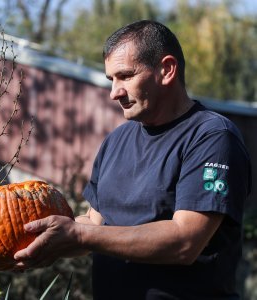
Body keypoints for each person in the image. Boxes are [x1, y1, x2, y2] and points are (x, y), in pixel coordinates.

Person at [14, 20, 251, 300]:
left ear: (167, 70)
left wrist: (77, 236)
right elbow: (94, 224)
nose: (114, 92)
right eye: (111, 79)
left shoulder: (211, 137)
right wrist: (42, 238)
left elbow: (186, 241)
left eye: (125, 76)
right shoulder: (116, 141)